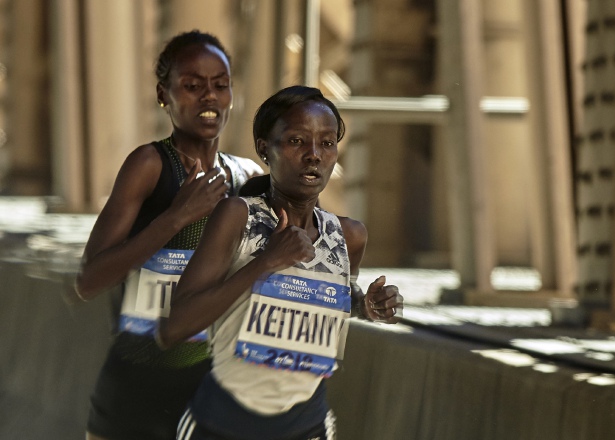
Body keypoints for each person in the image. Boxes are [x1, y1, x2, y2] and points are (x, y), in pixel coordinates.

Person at [157, 85, 404, 440]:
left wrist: (366, 306)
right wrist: (265, 262)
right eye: (296, 141)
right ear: (264, 149)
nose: (314, 155)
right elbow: (173, 329)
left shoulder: (349, 236)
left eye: (327, 142)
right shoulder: (237, 217)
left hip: (305, 426)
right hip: (220, 424)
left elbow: (332, 297)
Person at [75, 30, 263, 440]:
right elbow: (89, 281)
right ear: (165, 94)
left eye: (220, 85)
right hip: (135, 394)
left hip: (213, 396)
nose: (209, 97)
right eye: (192, 86)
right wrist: (176, 217)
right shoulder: (150, 165)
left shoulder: (247, 178)